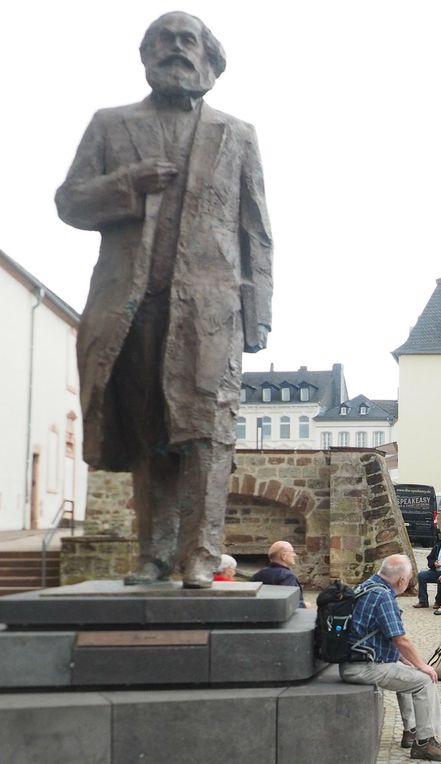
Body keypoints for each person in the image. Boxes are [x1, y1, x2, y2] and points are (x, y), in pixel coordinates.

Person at [55, 12, 273, 588]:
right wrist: (128, 183)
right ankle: (155, 553)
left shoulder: (236, 133)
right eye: (164, 40)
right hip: (132, 305)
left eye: (187, 40)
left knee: (208, 431)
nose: (176, 49)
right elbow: (70, 202)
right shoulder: (111, 125)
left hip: (211, 310)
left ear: (209, 58)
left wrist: (259, 316)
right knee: (149, 431)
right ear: (146, 54)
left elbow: (255, 230)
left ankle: (201, 552)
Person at [339, 554, 441, 762]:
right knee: (425, 680)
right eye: (409, 579)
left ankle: (411, 731)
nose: (408, 582)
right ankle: (425, 743)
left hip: (353, 662)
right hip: (364, 666)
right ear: (401, 580)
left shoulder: (367, 586)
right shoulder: (383, 597)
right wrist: (423, 666)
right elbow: (400, 639)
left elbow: (382, 636)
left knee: (409, 673)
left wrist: (410, 663)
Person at [251, 541, 306, 607]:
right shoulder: (287, 576)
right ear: (284, 556)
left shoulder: (258, 574)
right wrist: (304, 605)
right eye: (292, 552)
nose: (295, 555)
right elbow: (287, 604)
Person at [414, 540, 441, 609]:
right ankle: (423, 601)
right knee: (421, 575)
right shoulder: (437, 546)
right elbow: (430, 559)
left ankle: (438, 602)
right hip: (435, 571)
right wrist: (434, 563)